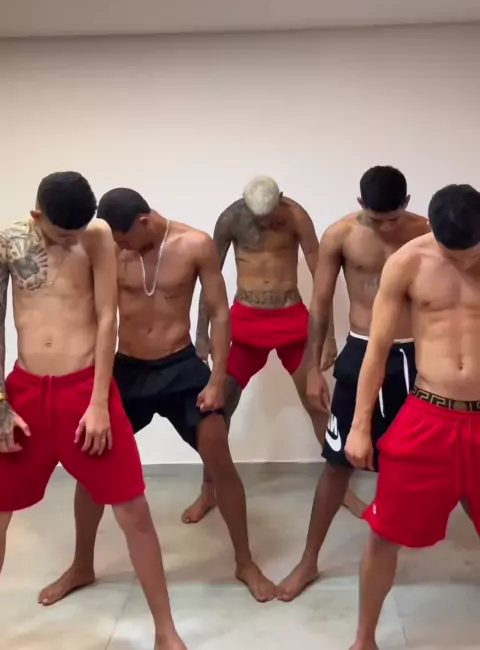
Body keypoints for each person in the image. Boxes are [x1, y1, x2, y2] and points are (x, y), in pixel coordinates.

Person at [39, 187, 275, 608]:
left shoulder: (194, 244)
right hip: (128, 369)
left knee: (219, 457)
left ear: (144, 222)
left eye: (125, 238)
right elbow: (88, 312)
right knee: (91, 464)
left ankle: (245, 562)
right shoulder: (108, 246)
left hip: (181, 367)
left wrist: (217, 378)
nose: (121, 246)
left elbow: (220, 312)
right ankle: (82, 565)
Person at [0, 173, 186, 650]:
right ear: (38, 217)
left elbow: (108, 318)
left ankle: (166, 631)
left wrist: (100, 402)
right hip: (24, 394)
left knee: (133, 509)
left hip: (84, 388)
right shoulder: (8, 242)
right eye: (65, 235)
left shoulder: (97, 235)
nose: (74, 241)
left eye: (80, 231)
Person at [276, 166, 429, 602]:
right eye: (377, 219)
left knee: (436, 459)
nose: (386, 228)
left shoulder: (427, 232)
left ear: (407, 202)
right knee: (337, 462)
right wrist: (312, 367)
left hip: (416, 354)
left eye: (393, 218)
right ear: (361, 204)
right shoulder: (340, 235)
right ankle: (309, 561)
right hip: (361, 351)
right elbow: (320, 303)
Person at [182, 175, 361, 526]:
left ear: (281, 197)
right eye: (257, 217)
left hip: (291, 319)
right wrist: (201, 334)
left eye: (269, 215)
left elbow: (321, 274)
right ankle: (208, 491)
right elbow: (210, 277)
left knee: (318, 403)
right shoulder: (230, 218)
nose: (264, 223)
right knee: (217, 410)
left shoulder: (296, 216)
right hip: (246, 322)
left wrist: (327, 338)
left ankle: (341, 489)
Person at [345, 183, 480, 650]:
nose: (464, 263)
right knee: (384, 534)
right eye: (453, 255)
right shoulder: (408, 262)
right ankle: (364, 639)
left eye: (472, 254)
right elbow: (377, 349)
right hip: (429, 415)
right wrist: (360, 425)